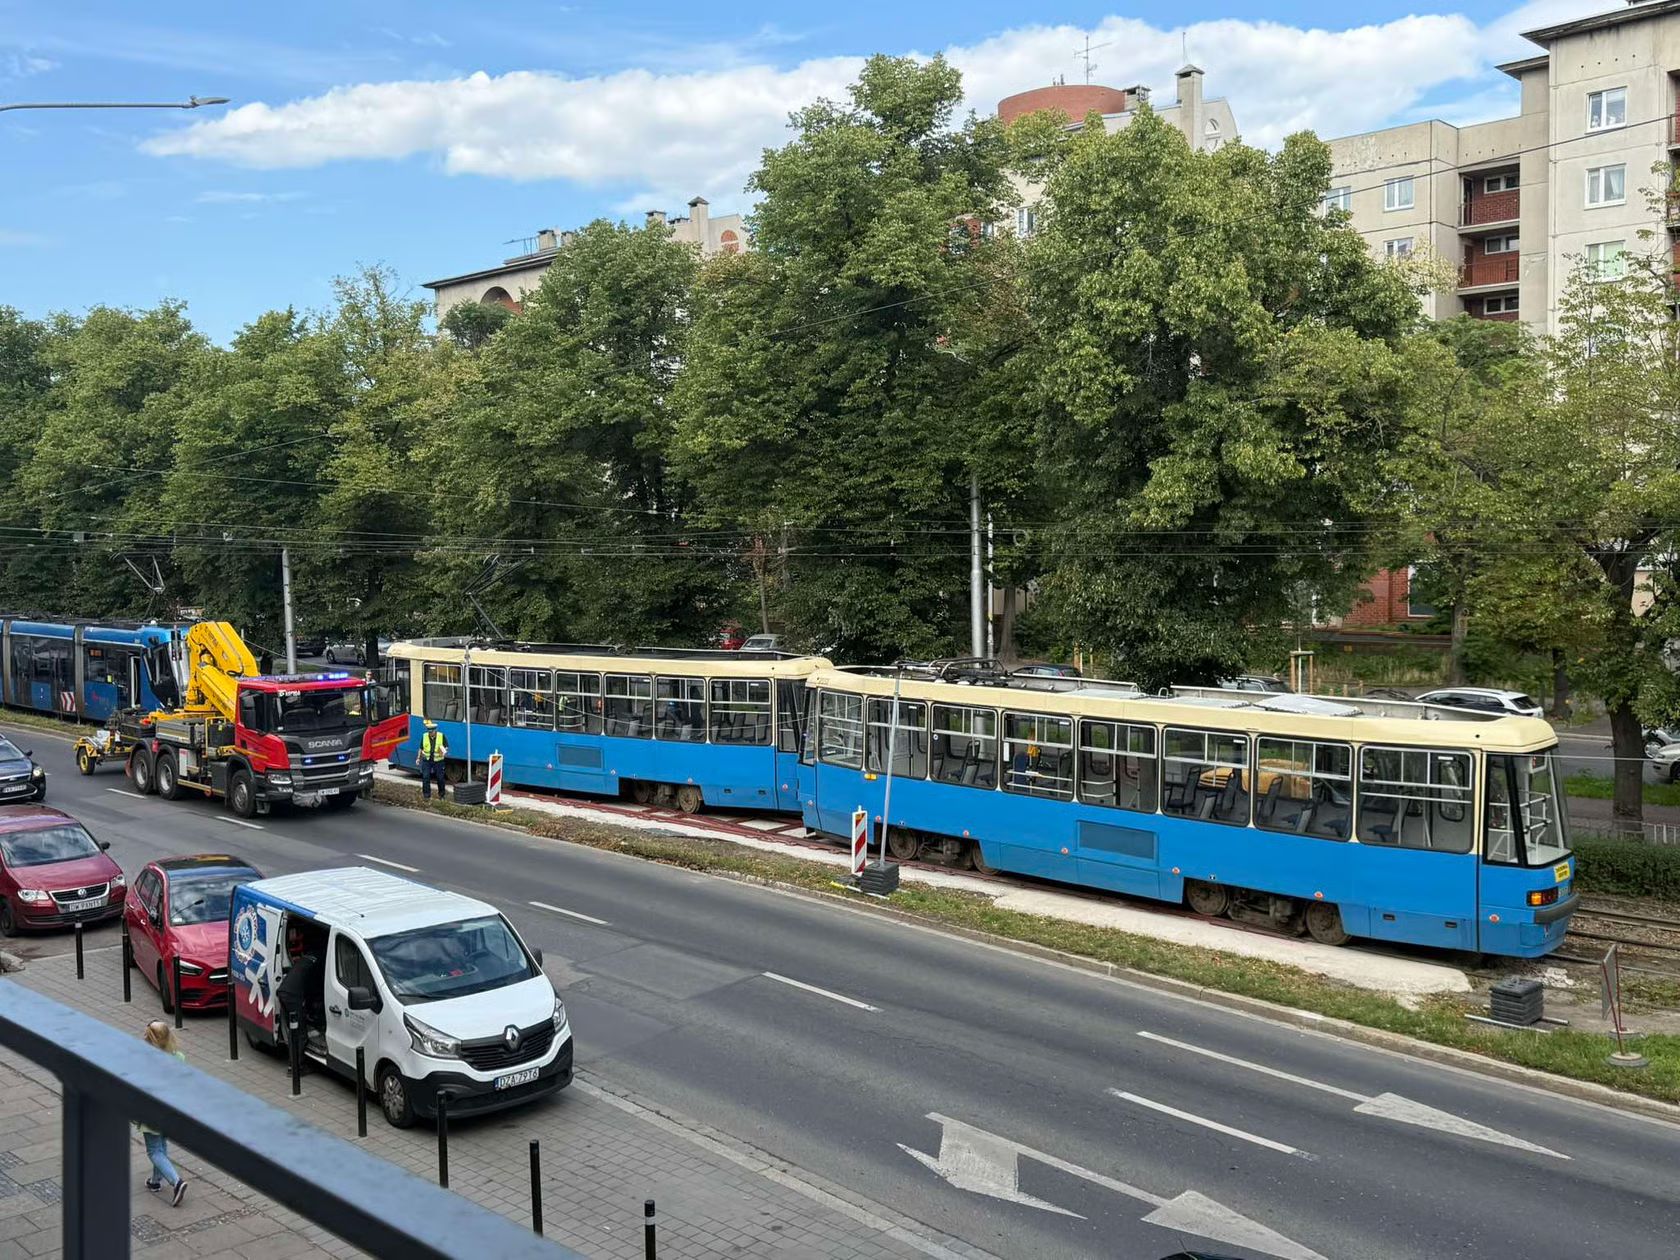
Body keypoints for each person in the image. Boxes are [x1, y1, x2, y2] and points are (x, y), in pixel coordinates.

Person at [139, 1021, 189, 1207]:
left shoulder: (145, 1060)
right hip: (170, 1109)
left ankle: (177, 1182)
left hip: (151, 1109)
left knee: (153, 1150)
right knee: (160, 1145)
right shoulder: (179, 1057)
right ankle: (155, 1181)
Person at [419, 718, 448, 801]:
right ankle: (426, 796)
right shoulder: (424, 736)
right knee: (425, 777)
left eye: (432, 732)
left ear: (435, 730)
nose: (430, 733)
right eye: (429, 732)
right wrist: (418, 758)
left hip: (438, 761)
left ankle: (442, 795)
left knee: (440, 778)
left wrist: (443, 751)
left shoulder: (441, 736)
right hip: (427, 760)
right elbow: (421, 748)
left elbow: (446, 746)